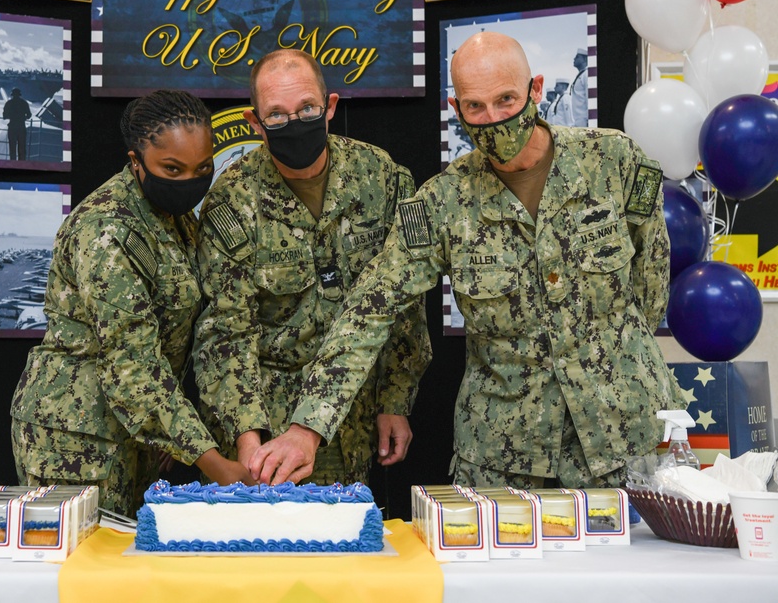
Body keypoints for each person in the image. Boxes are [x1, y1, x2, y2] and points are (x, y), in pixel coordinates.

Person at [269, 32, 685, 489]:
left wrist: (611, 360)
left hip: (620, 439)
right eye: (475, 107)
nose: (493, 119)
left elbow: (651, 281)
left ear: (536, 89)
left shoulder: (615, 160)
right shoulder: (440, 203)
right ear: (455, 106)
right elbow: (370, 311)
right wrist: (308, 426)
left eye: (506, 100)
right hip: (504, 453)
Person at [194, 49, 431, 487]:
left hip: (355, 418)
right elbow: (224, 332)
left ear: (331, 107)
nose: (295, 123)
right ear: (255, 124)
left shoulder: (382, 177)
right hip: (269, 425)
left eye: (307, 109)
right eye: (277, 116)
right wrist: (249, 443)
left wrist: (395, 400)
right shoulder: (232, 201)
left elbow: (405, 305)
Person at [10, 90, 254, 516]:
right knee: (81, 574)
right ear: (136, 162)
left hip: (135, 431)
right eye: (172, 169)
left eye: (202, 168)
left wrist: (172, 436)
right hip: (77, 438)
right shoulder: (106, 231)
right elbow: (132, 366)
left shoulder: (171, 216)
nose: (189, 181)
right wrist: (216, 466)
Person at [3, 87, 32, 161]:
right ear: (19, 95)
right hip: (21, 127)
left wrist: (11, 115)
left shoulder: (9, 103)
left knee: (12, 148)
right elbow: (29, 115)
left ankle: (12, 163)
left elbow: (4, 116)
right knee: (22, 148)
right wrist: (23, 117)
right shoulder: (24, 103)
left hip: (12, 127)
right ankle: (21, 164)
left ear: (12, 95)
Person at [570, 47, 589, 127]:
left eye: (577, 57)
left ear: (584, 59)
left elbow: (589, 98)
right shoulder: (580, 75)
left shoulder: (587, 74)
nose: (574, 59)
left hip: (584, 121)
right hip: (577, 121)